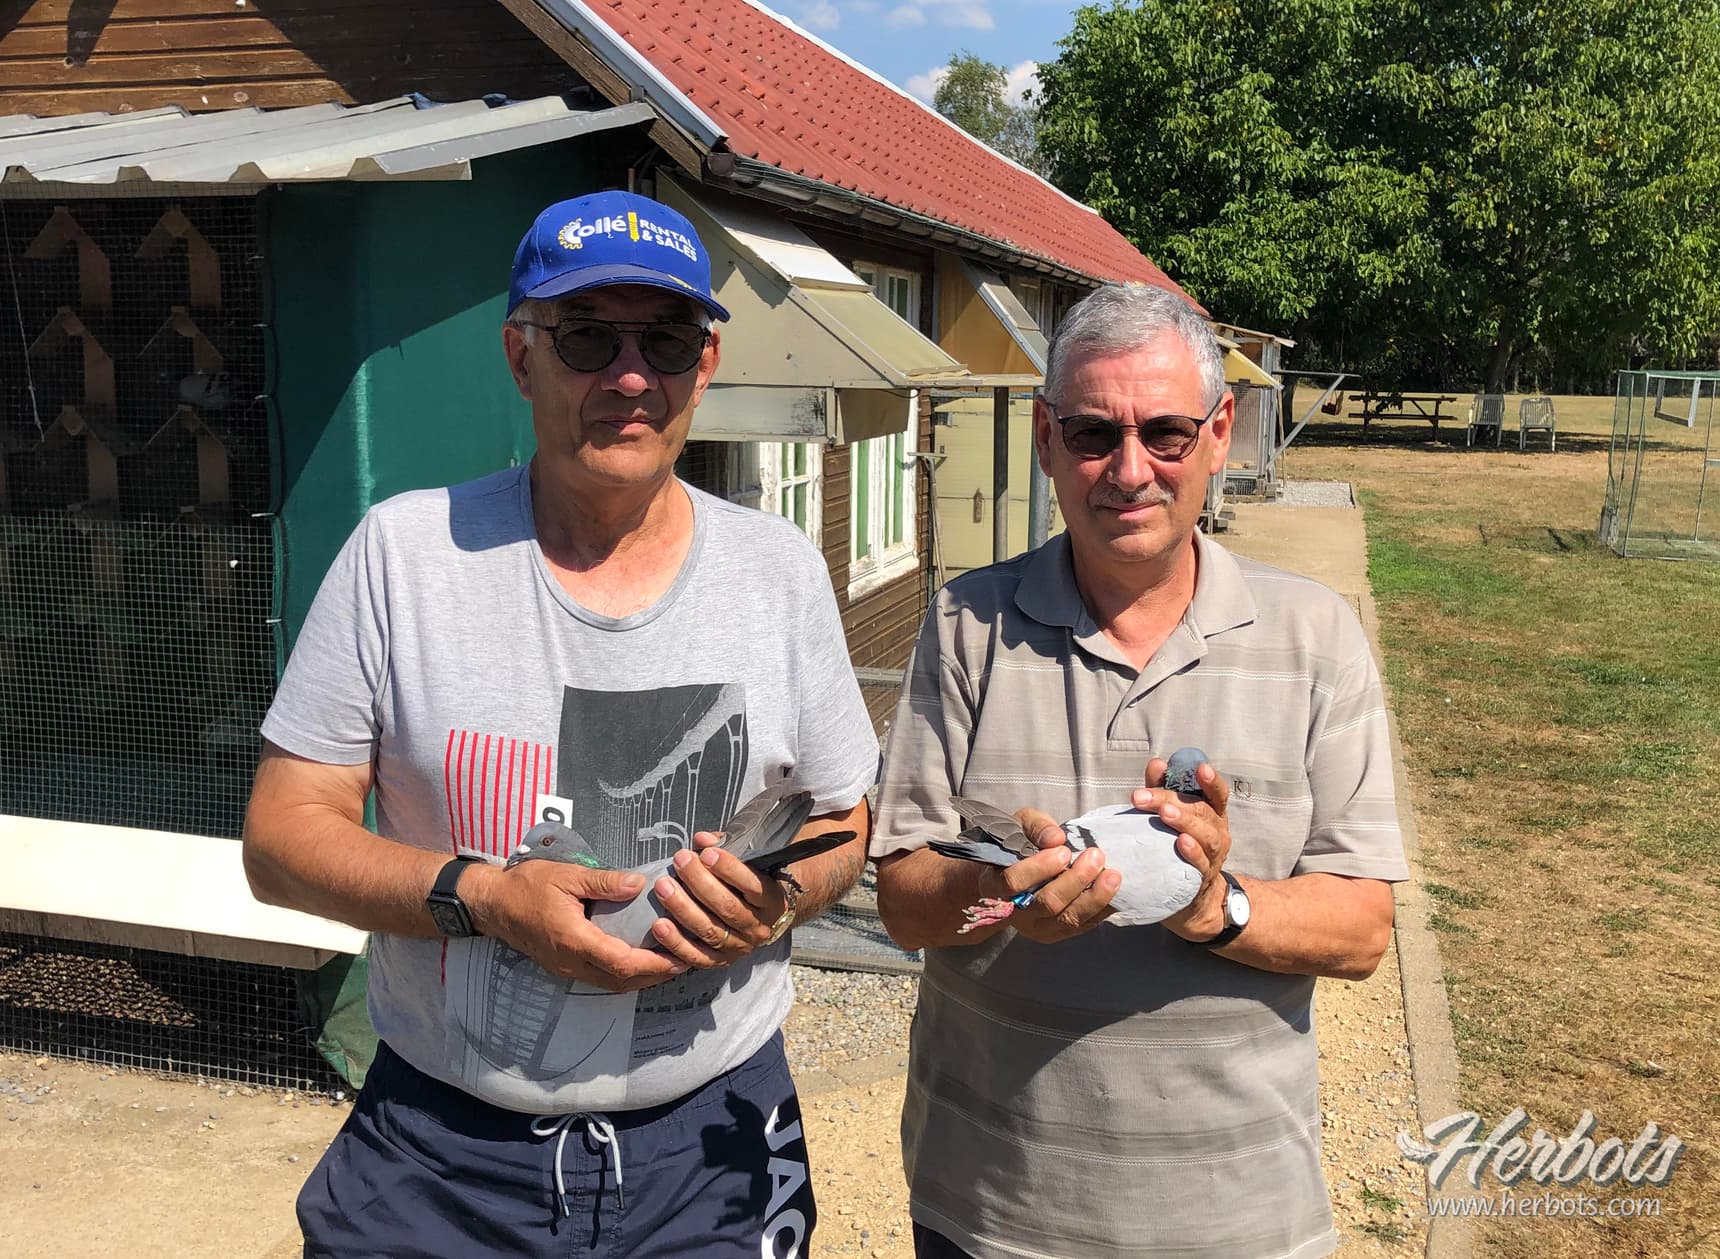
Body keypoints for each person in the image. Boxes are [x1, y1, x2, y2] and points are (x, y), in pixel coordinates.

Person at [243, 189, 879, 1258]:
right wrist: (483, 897)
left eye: (666, 338)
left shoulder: (777, 570)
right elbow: (280, 834)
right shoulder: (406, 557)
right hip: (442, 1148)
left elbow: (842, 820)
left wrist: (772, 899)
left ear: (705, 363)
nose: (630, 375)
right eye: (587, 335)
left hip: (711, 1141)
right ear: (519, 354)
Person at [871, 283, 1409, 1259]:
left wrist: (1212, 908)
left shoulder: (1314, 636)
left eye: (1165, 432)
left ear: (1219, 433)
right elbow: (904, 900)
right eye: (1089, 433)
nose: (1128, 470)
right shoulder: (963, 625)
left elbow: (1363, 927)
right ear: (1043, 438)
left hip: (1240, 1218)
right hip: (991, 1214)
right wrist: (1001, 894)